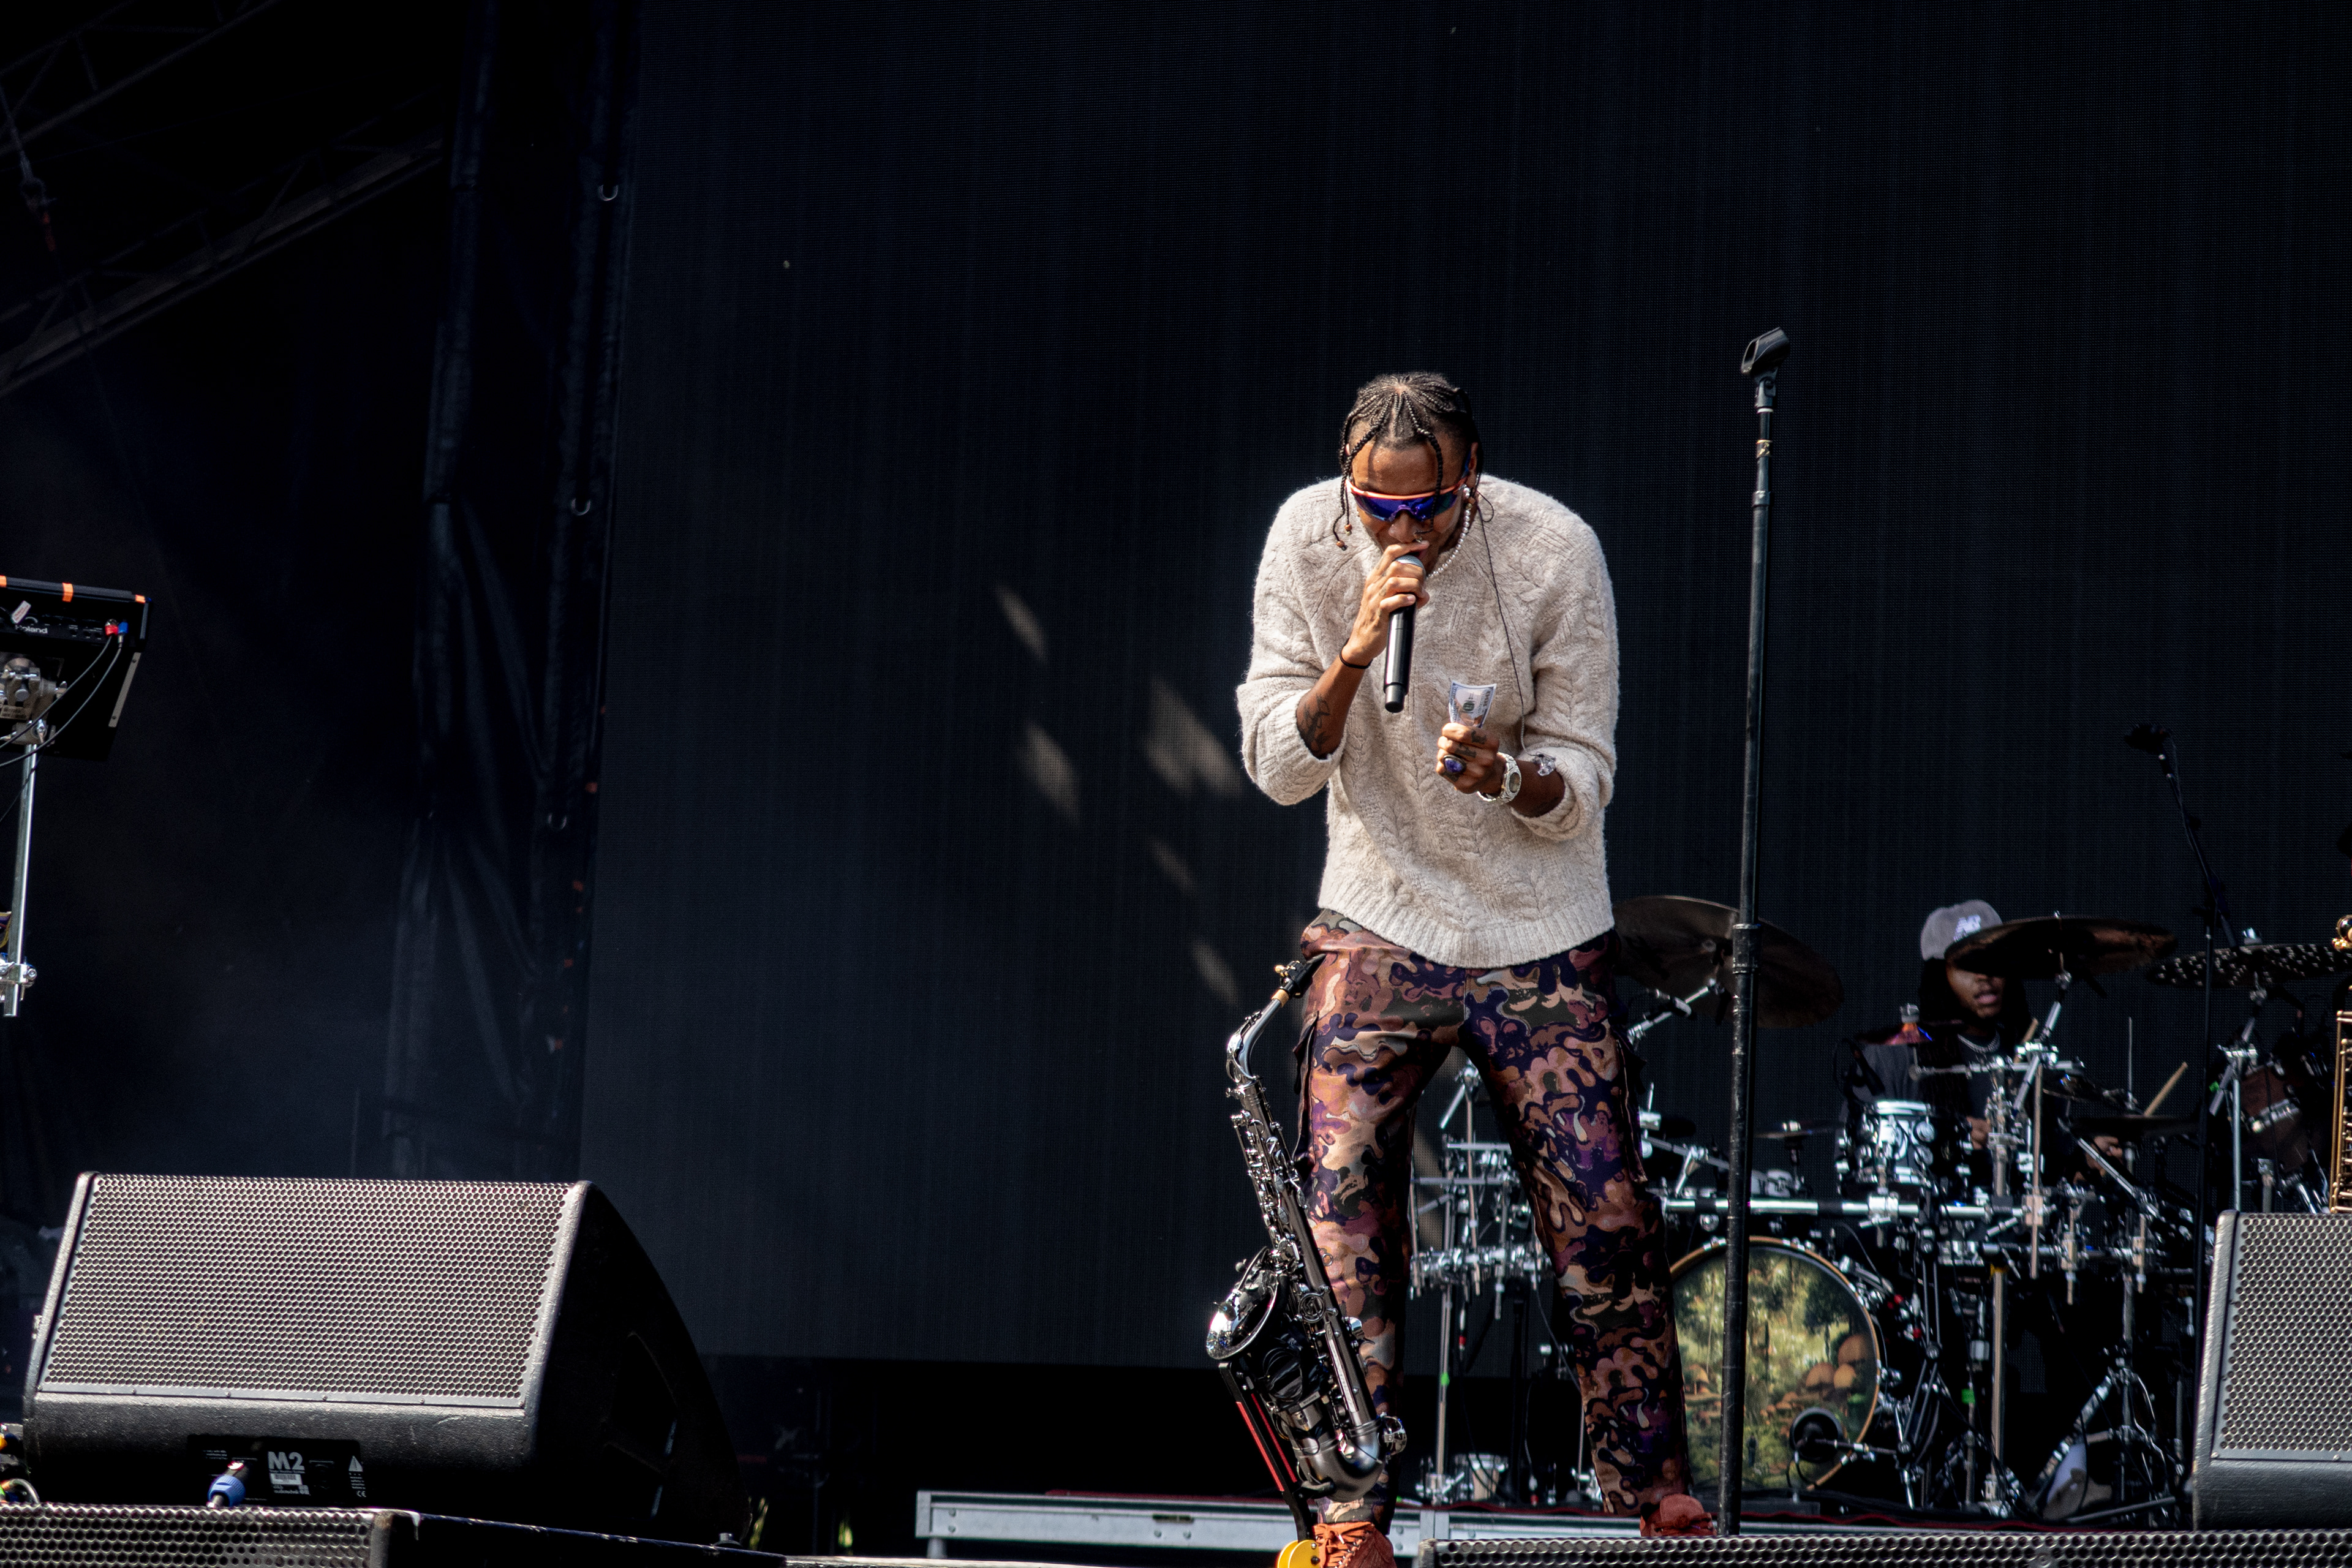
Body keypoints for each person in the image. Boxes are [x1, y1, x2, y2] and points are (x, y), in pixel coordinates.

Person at [1236, 374, 1706, 1563]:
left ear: (1473, 479)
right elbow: (1277, 765)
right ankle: (1350, 1509)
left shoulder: (1555, 550)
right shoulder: (1305, 537)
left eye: (1429, 507)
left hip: (1536, 923)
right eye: (1377, 507)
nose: (1402, 530)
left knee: (1602, 1208)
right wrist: (1353, 654)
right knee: (1340, 1214)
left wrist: (1506, 774)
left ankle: (1654, 1491)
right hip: (1377, 909)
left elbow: (1585, 775)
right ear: (1346, 484)